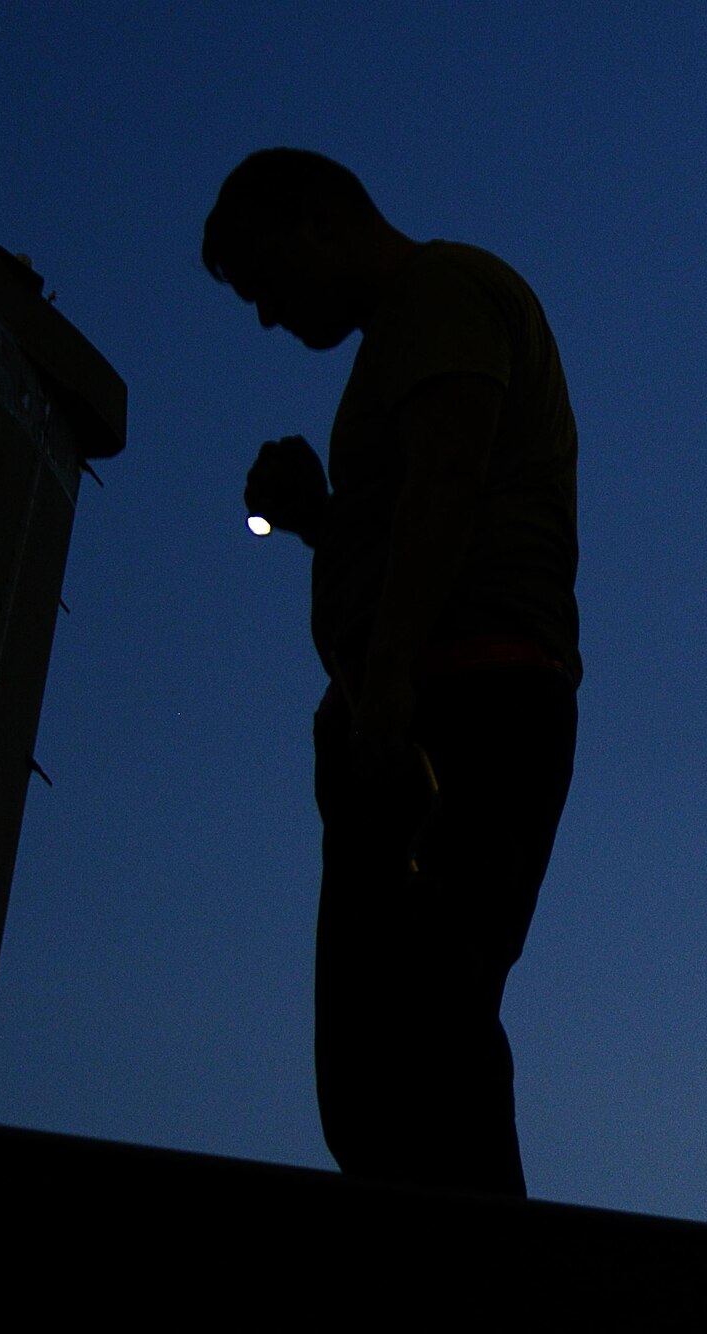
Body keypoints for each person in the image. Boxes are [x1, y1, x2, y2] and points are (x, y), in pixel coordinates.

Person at [204, 149, 580, 1196]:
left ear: (313, 220)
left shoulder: (438, 290)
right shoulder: (412, 331)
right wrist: (319, 521)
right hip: (441, 698)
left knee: (419, 1022)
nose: (269, 317)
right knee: (386, 1057)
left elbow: (449, 480)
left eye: (263, 282)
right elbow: (430, 501)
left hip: (459, 702)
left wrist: (382, 698)